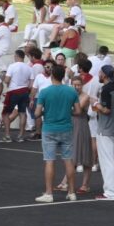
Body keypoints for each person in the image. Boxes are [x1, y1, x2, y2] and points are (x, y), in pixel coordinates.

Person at [35, 64, 81, 203]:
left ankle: (49, 193)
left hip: (49, 128)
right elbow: (78, 111)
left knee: (49, 160)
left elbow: (37, 113)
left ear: (52, 75)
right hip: (66, 128)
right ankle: (72, 192)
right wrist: (68, 112)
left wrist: (45, 112)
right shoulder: (71, 91)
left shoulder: (44, 92)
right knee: (68, 160)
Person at [93, 64, 114, 200]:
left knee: (108, 161)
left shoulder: (105, 90)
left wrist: (96, 104)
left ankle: (111, 192)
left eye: (100, 73)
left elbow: (106, 110)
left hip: (106, 129)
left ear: (105, 75)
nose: (99, 75)